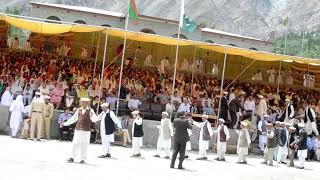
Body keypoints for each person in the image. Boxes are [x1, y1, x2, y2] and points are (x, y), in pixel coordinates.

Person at [60, 98, 98, 164]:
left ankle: (83, 159)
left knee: (85, 144)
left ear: (88, 103)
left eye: (85, 102)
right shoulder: (78, 109)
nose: (84, 104)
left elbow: (94, 120)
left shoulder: (91, 110)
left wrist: (92, 116)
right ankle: (72, 157)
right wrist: (65, 123)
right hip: (78, 129)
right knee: (75, 143)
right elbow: (73, 119)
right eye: (83, 102)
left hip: (86, 130)